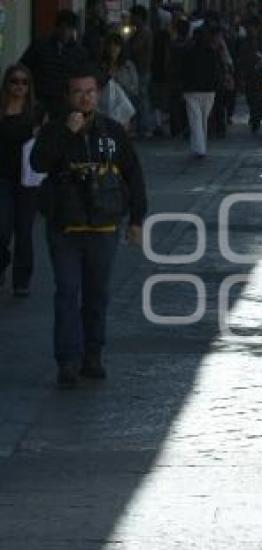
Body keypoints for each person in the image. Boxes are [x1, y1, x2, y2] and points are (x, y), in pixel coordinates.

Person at [30, 64, 147, 388]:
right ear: (69, 95)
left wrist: (137, 219)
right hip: (65, 229)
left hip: (103, 228)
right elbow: (38, 163)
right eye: (78, 92)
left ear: (98, 94)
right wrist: (65, 132)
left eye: (90, 92)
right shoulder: (56, 129)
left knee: (97, 295)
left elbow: (133, 174)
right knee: (67, 293)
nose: (85, 98)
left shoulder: (112, 132)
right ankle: (67, 360)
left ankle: (92, 355)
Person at [0, 65, 41, 297]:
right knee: (2, 229)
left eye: (24, 82)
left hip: (27, 180)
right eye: (15, 81)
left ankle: (21, 281)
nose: (19, 86)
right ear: (7, 83)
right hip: (2, 178)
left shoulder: (36, 112)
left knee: (24, 231)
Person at [20, 10, 90, 120]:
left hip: (65, 104)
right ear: (57, 27)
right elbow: (23, 68)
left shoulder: (79, 53)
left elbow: (83, 78)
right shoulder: (40, 46)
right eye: (63, 27)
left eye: (70, 28)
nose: (66, 32)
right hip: (40, 100)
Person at [181, 26, 221, 158]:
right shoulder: (212, 52)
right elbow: (216, 71)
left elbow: (183, 72)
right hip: (208, 90)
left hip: (192, 90)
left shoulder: (188, 52)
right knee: (203, 119)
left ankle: (199, 147)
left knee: (195, 119)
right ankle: (200, 146)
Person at [128, 5, 155, 137]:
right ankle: (142, 126)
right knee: (139, 98)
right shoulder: (139, 31)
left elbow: (135, 48)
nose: (131, 18)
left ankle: (145, 127)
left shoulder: (144, 32)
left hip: (142, 70)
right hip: (138, 69)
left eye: (133, 16)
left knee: (142, 98)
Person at [101, 33, 140, 104]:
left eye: (116, 45)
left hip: (126, 103)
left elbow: (134, 88)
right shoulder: (102, 66)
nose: (112, 48)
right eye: (110, 45)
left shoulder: (128, 66)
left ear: (121, 47)